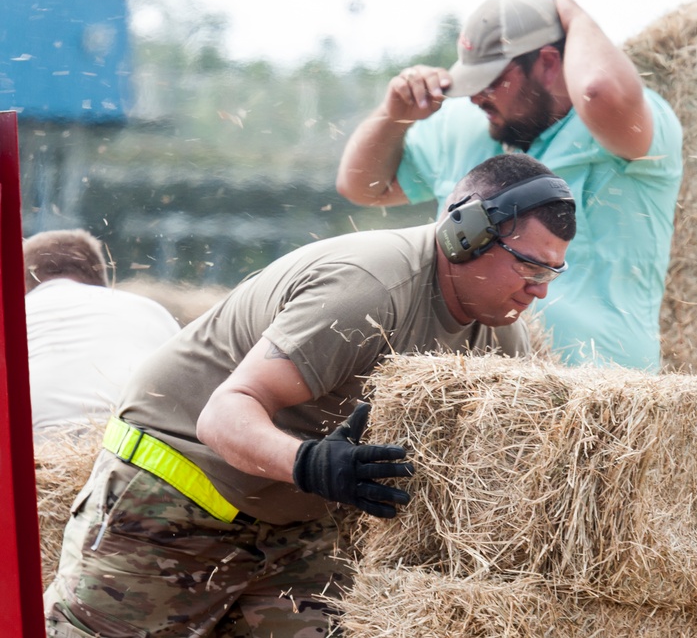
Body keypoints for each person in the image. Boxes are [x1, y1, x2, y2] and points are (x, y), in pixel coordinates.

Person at [43, 153, 576, 637]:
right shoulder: (367, 290)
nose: (541, 288)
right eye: (529, 264)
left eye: (553, 269)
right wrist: (312, 463)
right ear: (467, 233)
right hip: (174, 489)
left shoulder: (502, 333)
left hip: (296, 524)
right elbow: (224, 414)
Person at [337, 0, 683, 371]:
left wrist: (574, 14)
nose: (475, 98)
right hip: (473, 385)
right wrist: (392, 115)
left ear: (549, 64)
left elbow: (599, 90)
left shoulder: (625, 129)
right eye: (470, 81)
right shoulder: (463, 126)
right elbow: (361, 186)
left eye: (492, 80)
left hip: (600, 389)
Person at [23, 229, 180, 438]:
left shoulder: (15, 315)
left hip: (35, 445)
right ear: (101, 278)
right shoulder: (150, 310)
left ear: (22, 283)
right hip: (137, 446)